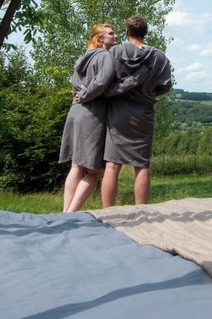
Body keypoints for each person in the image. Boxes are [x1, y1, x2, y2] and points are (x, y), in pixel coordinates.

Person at [101, 15, 172, 207]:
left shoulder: (115, 52)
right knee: (141, 165)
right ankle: (142, 212)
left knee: (112, 164)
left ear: (127, 32)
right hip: (143, 113)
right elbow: (166, 86)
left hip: (118, 112)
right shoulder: (159, 57)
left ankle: (108, 213)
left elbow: (105, 80)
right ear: (146, 32)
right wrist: (149, 93)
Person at [59, 22, 119, 212]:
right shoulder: (106, 56)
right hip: (92, 114)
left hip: (75, 112)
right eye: (111, 34)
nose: (116, 36)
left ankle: (64, 214)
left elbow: (77, 87)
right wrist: (88, 94)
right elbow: (103, 81)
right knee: (95, 171)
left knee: (76, 166)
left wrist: (83, 93)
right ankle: (70, 214)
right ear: (101, 38)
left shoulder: (82, 58)